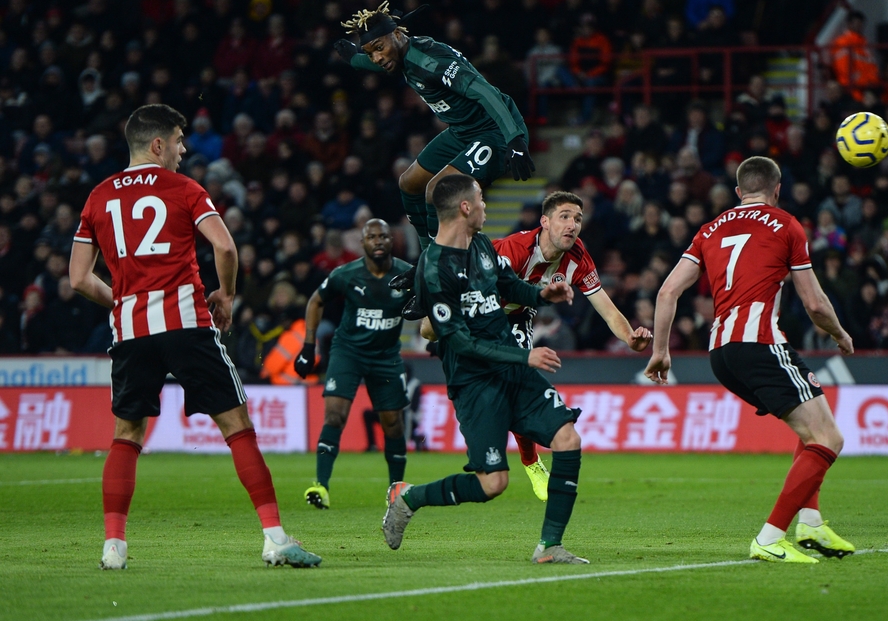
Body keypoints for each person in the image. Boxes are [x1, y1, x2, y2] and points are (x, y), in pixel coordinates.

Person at [68, 104, 321, 569]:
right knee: (236, 426)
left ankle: (113, 548)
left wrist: (123, 302)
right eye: (179, 141)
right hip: (185, 322)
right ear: (157, 144)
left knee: (126, 434)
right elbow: (224, 245)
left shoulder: (98, 197)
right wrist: (226, 294)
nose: (183, 150)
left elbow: (79, 279)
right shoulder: (183, 188)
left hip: (131, 332)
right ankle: (274, 538)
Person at [644, 156, 856, 564]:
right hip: (758, 342)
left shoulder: (709, 229)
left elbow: (667, 292)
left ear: (739, 191)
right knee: (829, 438)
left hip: (721, 353)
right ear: (777, 190)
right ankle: (770, 537)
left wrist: (661, 351)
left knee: (811, 426)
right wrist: (839, 334)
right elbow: (814, 303)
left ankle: (811, 522)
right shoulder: (787, 225)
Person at [383, 174, 586, 564]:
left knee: (567, 439)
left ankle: (549, 546)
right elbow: (458, 342)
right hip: (475, 382)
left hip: (512, 368)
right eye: (480, 199)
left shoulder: (480, 244)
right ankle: (408, 497)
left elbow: (508, 284)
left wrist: (542, 294)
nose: (485, 205)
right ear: (465, 207)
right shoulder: (434, 269)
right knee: (493, 483)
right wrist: (525, 357)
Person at [479, 191, 653, 500]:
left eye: (578, 219)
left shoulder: (578, 258)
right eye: (564, 217)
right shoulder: (514, 249)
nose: (572, 225)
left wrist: (629, 338)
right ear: (544, 222)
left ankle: (531, 462)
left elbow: (607, 309)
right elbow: (475, 291)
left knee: (517, 381)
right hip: (479, 310)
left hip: (516, 316)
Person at [334, 1, 535, 253]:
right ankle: (427, 255)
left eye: (378, 48)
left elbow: (485, 91)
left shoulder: (430, 62)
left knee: (436, 191)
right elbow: (378, 59)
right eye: (370, 52)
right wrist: (355, 59)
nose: (377, 57)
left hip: (494, 130)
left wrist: (514, 137)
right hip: (462, 131)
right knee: (409, 183)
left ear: (398, 35)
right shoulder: (400, 52)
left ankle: (442, 258)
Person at [294, 218, 413, 510]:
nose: (378, 241)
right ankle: (321, 486)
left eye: (383, 236)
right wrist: (308, 346)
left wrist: (435, 334)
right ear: (362, 243)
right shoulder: (346, 274)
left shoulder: (407, 274)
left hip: (386, 356)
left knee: (393, 424)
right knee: (335, 416)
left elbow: (432, 302)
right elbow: (315, 301)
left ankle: (396, 492)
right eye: (372, 237)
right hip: (348, 353)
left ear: (392, 240)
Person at [829, 10, 878, 101]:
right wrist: (856, 83)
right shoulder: (842, 42)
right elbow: (843, 69)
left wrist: (873, 82)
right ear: (849, 24)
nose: (860, 26)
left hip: (868, 88)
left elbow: (872, 65)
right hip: (852, 89)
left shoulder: (864, 43)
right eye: (857, 23)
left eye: (861, 24)